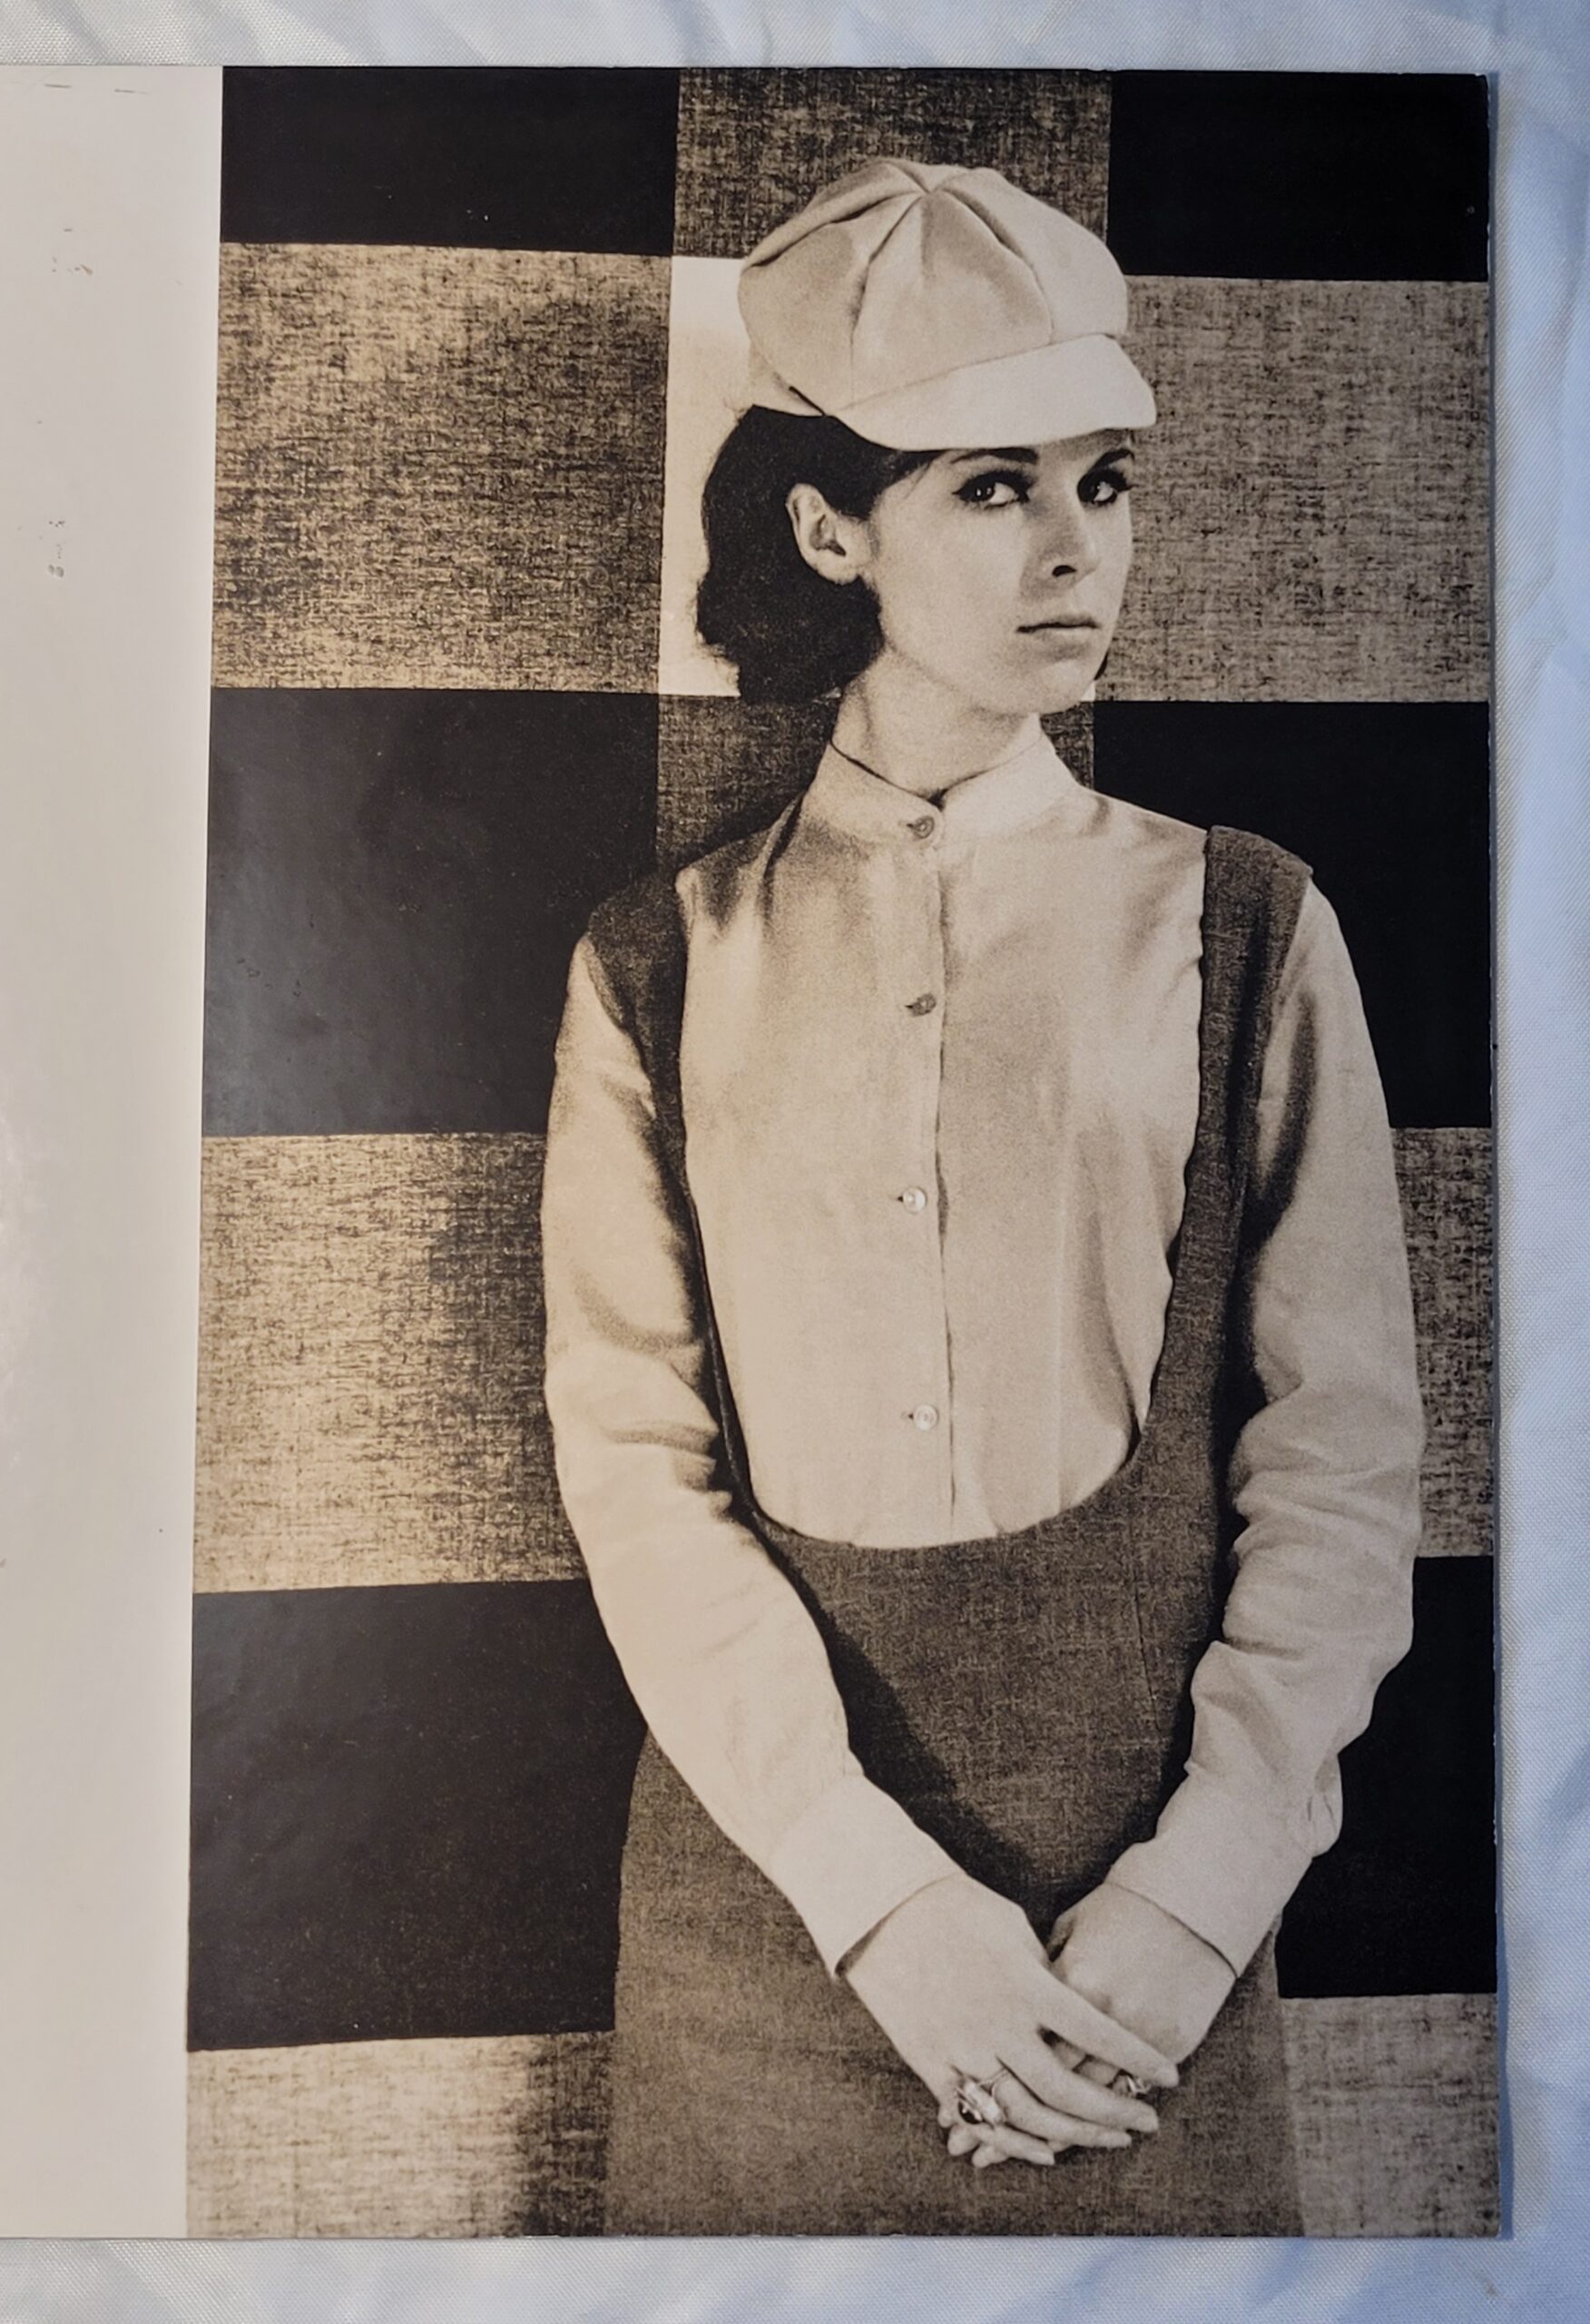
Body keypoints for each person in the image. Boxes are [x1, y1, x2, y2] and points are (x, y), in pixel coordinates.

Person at [538, 155, 1427, 2236]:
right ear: (831, 525)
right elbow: (634, 1464)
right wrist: (886, 1914)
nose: (1073, 551)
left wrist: (1194, 1910)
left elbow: (1344, 1455)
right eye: (993, 486)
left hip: (1153, 1960)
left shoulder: (1246, 927)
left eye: (1105, 482)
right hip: (778, 1933)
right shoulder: (658, 960)